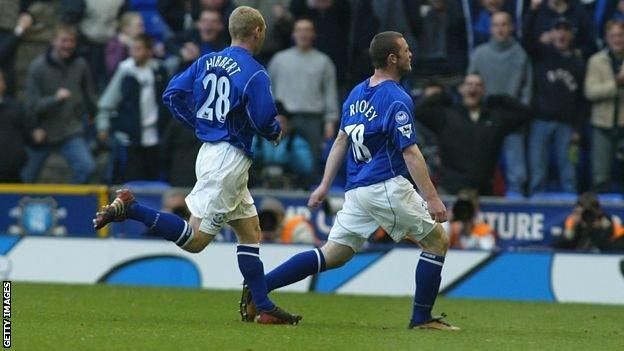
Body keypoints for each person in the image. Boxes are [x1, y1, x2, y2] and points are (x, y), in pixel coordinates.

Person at [93, 6, 301, 325]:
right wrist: (274, 132)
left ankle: (261, 305)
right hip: (227, 160)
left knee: (251, 231)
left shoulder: (207, 60)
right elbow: (264, 119)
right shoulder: (255, 71)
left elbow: (172, 94)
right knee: (196, 240)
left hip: (212, 152)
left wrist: (199, 123)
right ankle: (132, 208)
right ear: (258, 31)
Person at [240, 31, 459, 331]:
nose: (411, 55)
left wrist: (325, 184)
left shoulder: (357, 93)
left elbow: (341, 140)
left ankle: (259, 288)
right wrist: (432, 198)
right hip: (385, 185)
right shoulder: (397, 97)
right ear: (392, 58)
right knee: (437, 241)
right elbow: (410, 153)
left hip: (357, 190)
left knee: (334, 254)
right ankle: (421, 318)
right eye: (406, 50)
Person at [415, 74, 528, 195]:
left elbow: (524, 114)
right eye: (469, 84)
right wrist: (444, 96)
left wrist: (499, 99)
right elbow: (420, 111)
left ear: (484, 90)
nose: (473, 88)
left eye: (478, 85)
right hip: (450, 189)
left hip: (483, 190)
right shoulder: (446, 115)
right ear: (461, 89)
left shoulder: (494, 118)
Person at [22, 24, 98, 184]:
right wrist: (54, 99)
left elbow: (89, 95)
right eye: (64, 40)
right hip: (43, 132)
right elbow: (31, 105)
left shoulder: (81, 65)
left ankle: (68, 203)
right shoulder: (37, 67)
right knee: (25, 177)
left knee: (87, 168)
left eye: (72, 41)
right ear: (53, 41)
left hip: (70, 131)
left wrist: (93, 114)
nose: (68, 45)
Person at [468, 11, 532, 196]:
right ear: (490, 29)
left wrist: (521, 114)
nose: (500, 29)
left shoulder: (521, 55)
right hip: (486, 117)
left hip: (512, 119)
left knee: (516, 170)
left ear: (511, 27)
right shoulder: (480, 54)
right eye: (496, 25)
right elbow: (471, 83)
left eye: (504, 24)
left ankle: (517, 200)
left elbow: (527, 90)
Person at [268, 18, 339, 171]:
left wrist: (330, 121)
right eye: (300, 30)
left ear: (314, 34)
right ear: (293, 34)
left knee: (311, 162)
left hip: (313, 118)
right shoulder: (279, 60)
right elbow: (269, 89)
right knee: (279, 159)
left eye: (307, 30)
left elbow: (330, 92)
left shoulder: (323, 61)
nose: (303, 34)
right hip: (283, 118)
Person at [96, 34, 170, 182]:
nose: (134, 53)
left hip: (155, 135)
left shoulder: (159, 71)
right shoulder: (125, 71)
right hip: (131, 137)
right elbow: (108, 101)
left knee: (153, 179)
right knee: (133, 180)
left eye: (139, 49)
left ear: (149, 51)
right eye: (133, 49)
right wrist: (103, 126)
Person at [525, 18, 585, 194]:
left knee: (569, 173)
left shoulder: (578, 64)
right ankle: (535, 209)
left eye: (566, 30)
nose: (561, 33)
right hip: (540, 121)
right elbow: (525, 40)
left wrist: (578, 129)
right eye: (557, 29)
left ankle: (572, 216)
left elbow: (582, 100)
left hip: (567, 124)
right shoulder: (541, 55)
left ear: (571, 35)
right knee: (537, 172)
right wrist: (534, 12)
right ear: (552, 33)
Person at [584, 20, 624, 192]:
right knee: (600, 177)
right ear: (606, 38)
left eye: (621, 35)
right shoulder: (596, 61)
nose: (617, 39)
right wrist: (616, 83)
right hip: (602, 123)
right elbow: (590, 92)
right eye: (613, 36)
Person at [252, 101, 314, 189]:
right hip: (260, 187)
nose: (277, 126)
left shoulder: (297, 142)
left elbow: (306, 168)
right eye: (273, 122)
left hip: (291, 188)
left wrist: (293, 154)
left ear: (289, 125)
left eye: (281, 122)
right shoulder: (257, 141)